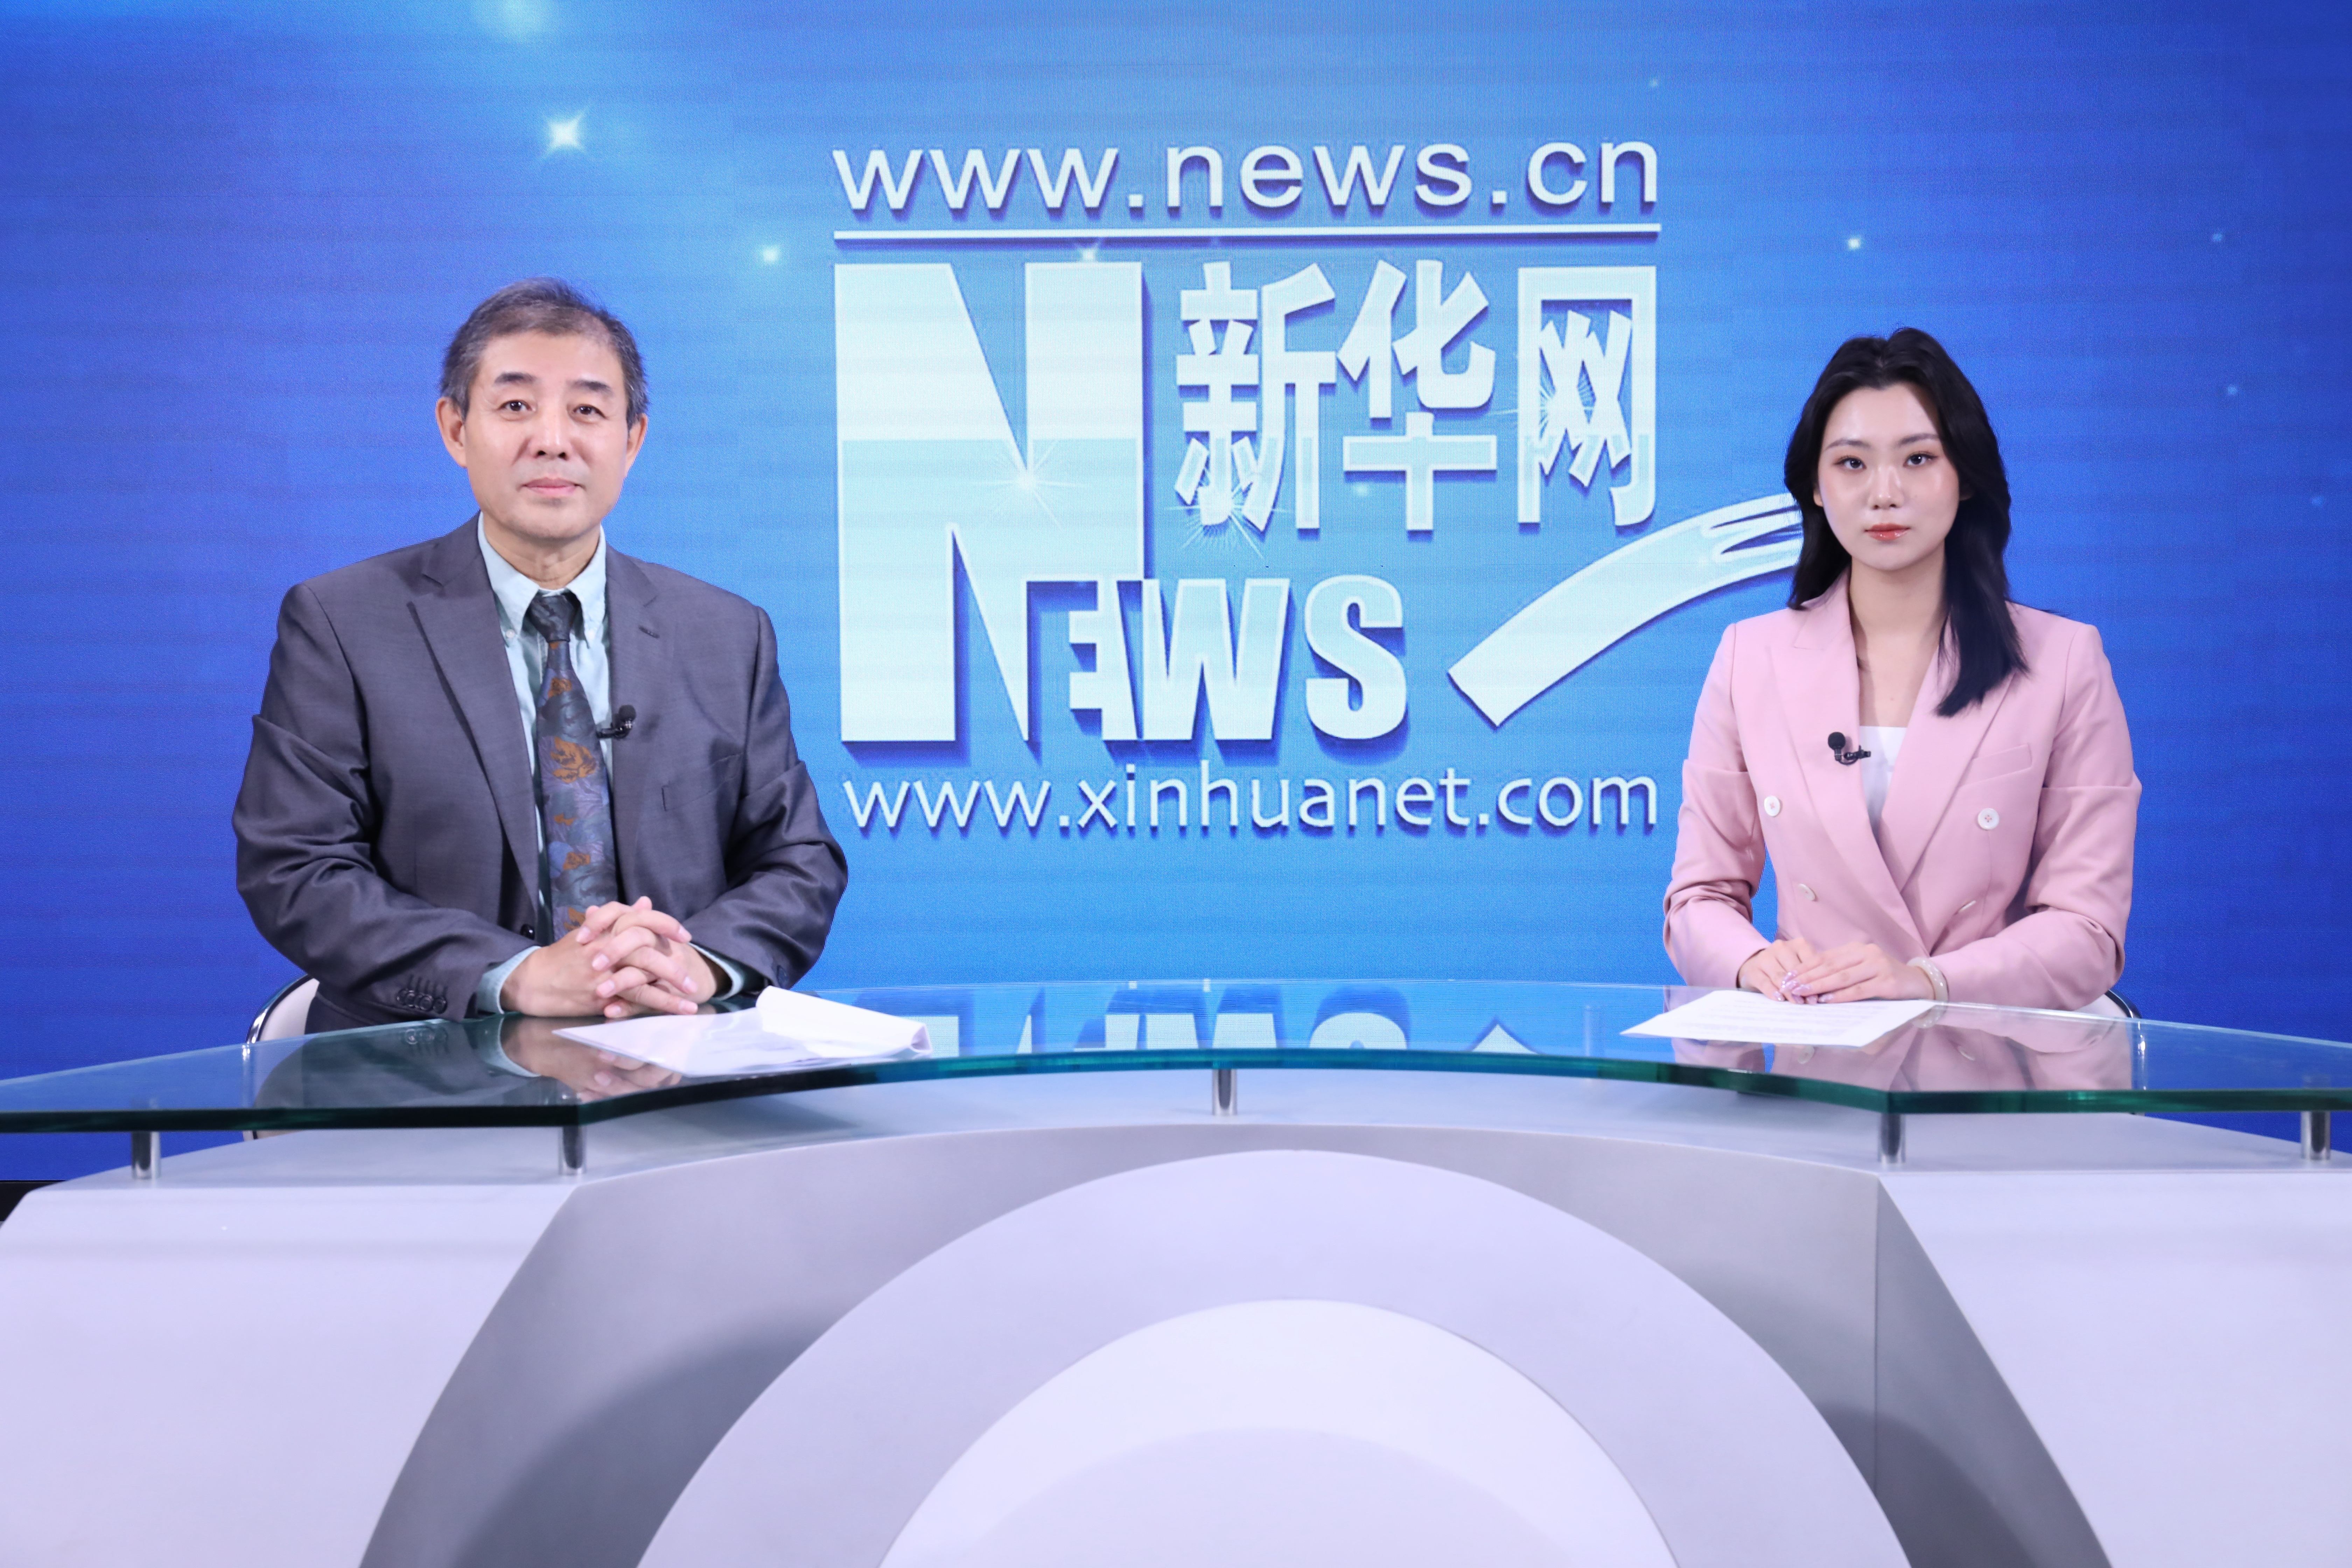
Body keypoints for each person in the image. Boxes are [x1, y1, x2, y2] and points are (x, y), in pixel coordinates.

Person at [235, 278, 846, 1032]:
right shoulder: (342, 623)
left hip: (679, 1063)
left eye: (587, 410)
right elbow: (295, 868)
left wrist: (698, 964)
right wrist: (513, 976)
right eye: (516, 406)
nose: (553, 439)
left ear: (632, 440)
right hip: (430, 1074)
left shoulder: (726, 633)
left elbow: (799, 860)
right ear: (456, 429)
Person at [1662, 329, 2137, 1012]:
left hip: (1987, 1050)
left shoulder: (2063, 661)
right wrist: (1753, 962)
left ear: (1964, 475)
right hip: (1817, 1049)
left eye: (1918, 459)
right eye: (1852, 463)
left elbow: (2088, 929)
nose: (1884, 493)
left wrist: (1928, 981)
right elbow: (1699, 898)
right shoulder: (1750, 658)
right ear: (1816, 486)